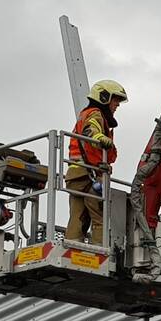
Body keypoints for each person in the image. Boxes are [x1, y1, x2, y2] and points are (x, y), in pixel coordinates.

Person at [64, 80, 127, 243]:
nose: (117, 105)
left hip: (75, 176)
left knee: (77, 217)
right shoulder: (95, 114)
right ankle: (100, 250)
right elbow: (90, 131)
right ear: (104, 97)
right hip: (89, 174)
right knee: (100, 217)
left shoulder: (87, 114)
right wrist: (100, 138)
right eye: (115, 100)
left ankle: (72, 245)